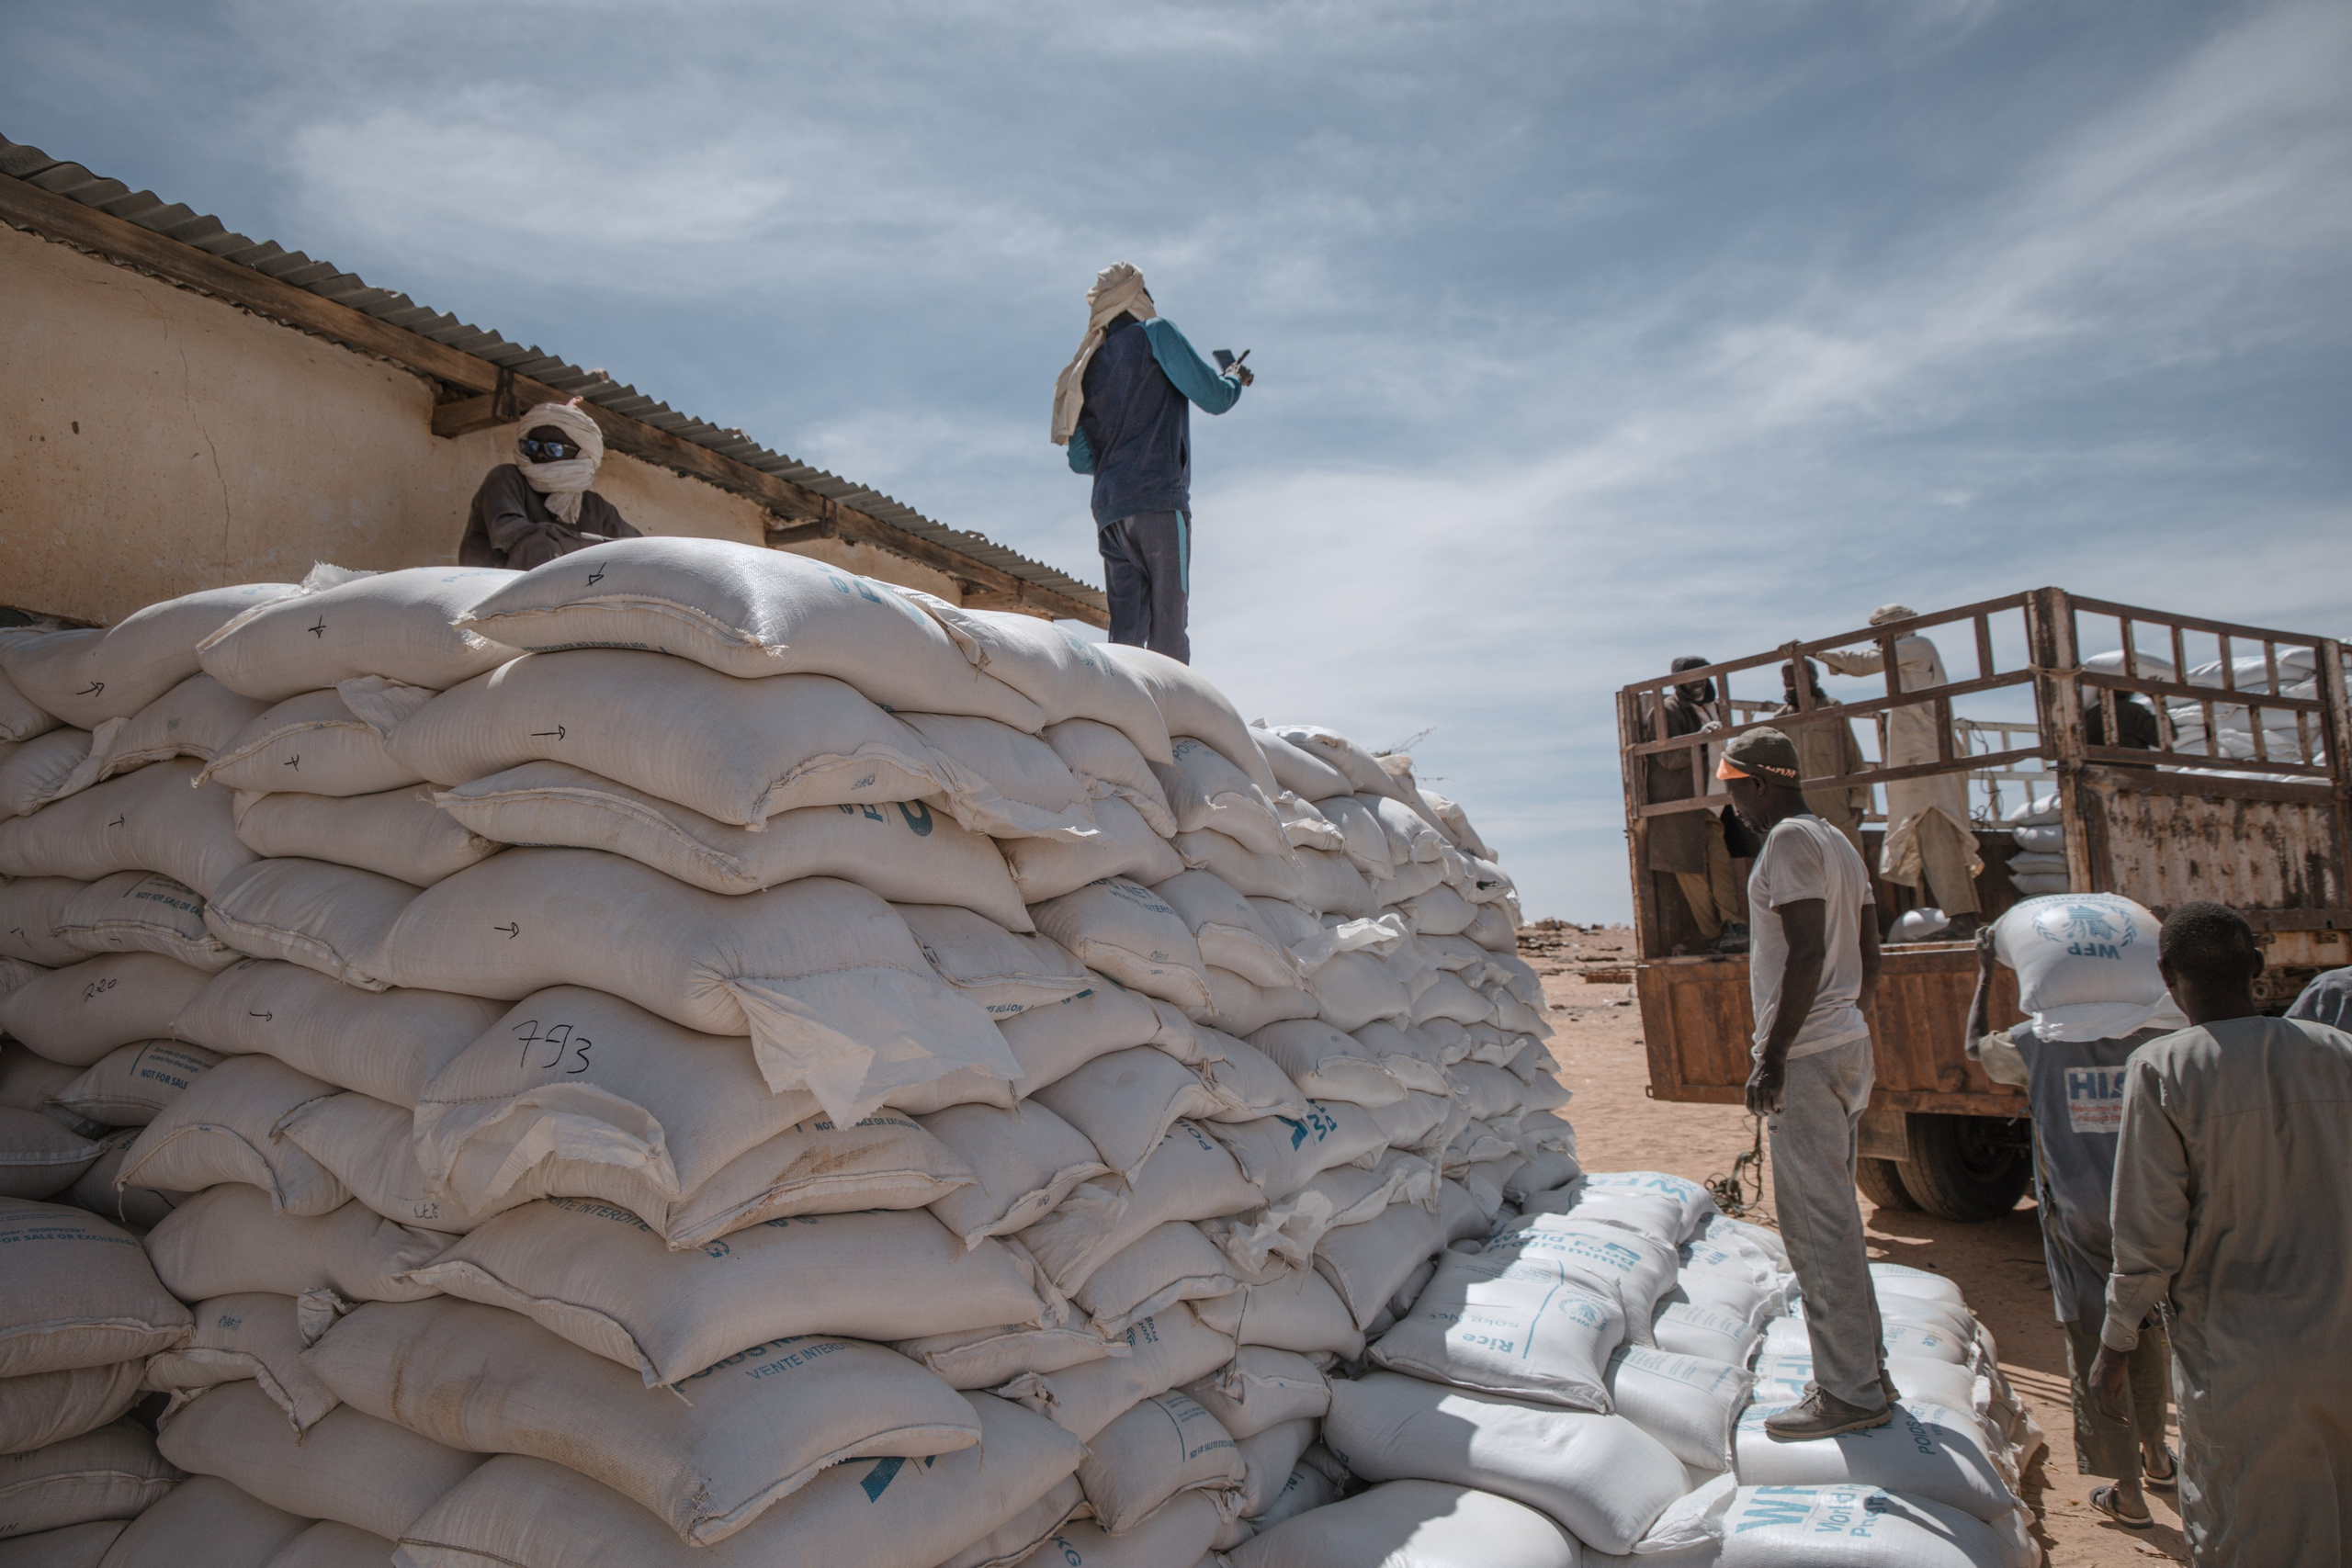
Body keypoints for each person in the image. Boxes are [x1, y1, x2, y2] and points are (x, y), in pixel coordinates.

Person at [2090, 902, 2352, 1566]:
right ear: (2259, 967)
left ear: (2166, 974)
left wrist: (2116, 1344)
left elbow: (2148, 1238)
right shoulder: (2340, 1053)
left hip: (2241, 1364)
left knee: (2245, 1536)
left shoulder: (2161, 1070)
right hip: (2343, 1342)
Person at [1963, 919, 2177, 1529]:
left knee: (2094, 1339)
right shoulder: (2157, 1035)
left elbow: (1976, 1048)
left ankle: (2127, 1490)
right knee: (2146, 1329)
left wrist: (1983, 971)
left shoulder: (2036, 1042)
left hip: (2078, 1216)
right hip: (2149, 1211)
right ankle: (2160, 1456)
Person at [1717, 727, 1890, 1438]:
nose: (1729, 805)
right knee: (1838, 1219)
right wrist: (1845, 1021)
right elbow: (1871, 951)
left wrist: (1777, 1052)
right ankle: (1867, 1371)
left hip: (1811, 1053)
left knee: (1817, 1227)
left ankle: (1849, 1390)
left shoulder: (1787, 841)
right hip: (1844, 1043)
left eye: (1730, 788)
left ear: (1757, 780)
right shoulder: (1839, 841)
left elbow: (1809, 946)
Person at [1050, 264, 1250, 663]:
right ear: (1136, 297)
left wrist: (1121, 456)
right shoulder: (1157, 334)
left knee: (1125, 636)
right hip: (1158, 504)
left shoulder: (1086, 368)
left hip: (1110, 513)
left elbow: (1080, 458)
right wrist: (1232, 378)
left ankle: (1116, 717)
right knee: (1169, 630)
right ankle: (1170, 722)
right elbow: (1215, 398)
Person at [1822, 605, 1983, 935]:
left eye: (1881, 634)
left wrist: (1816, 653)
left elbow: (1864, 663)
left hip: (1928, 760)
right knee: (1928, 833)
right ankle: (1960, 915)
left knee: (1938, 830)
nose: (1880, 645)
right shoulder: (1909, 652)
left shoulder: (1916, 645)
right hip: (1918, 761)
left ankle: (1964, 917)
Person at [1637, 656, 1747, 954]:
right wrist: (1698, 739)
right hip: (1681, 805)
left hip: (1713, 801)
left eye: (1702, 676)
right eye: (1690, 678)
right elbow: (1668, 758)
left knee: (1721, 863)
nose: (1698, 683)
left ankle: (1733, 926)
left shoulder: (1713, 706)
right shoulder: (1668, 710)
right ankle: (1714, 933)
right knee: (1691, 872)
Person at [459, 400, 639, 570]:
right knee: (538, 544)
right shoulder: (506, 477)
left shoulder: (595, 507)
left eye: (554, 448)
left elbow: (638, 546)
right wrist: (585, 543)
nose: (540, 454)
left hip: (570, 593)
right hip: (496, 583)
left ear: (581, 454)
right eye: (531, 446)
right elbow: (508, 532)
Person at [1772, 658, 1871, 864]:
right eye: (1786, 676)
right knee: (1810, 866)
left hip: (1836, 802)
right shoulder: (1780, 719)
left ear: (1813, 676)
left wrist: (1859, 800)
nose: (1790, 680)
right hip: (1799, 805)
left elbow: (1853, 756)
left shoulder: (1832, 709)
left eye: (1796, 673)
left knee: (1850, 863)